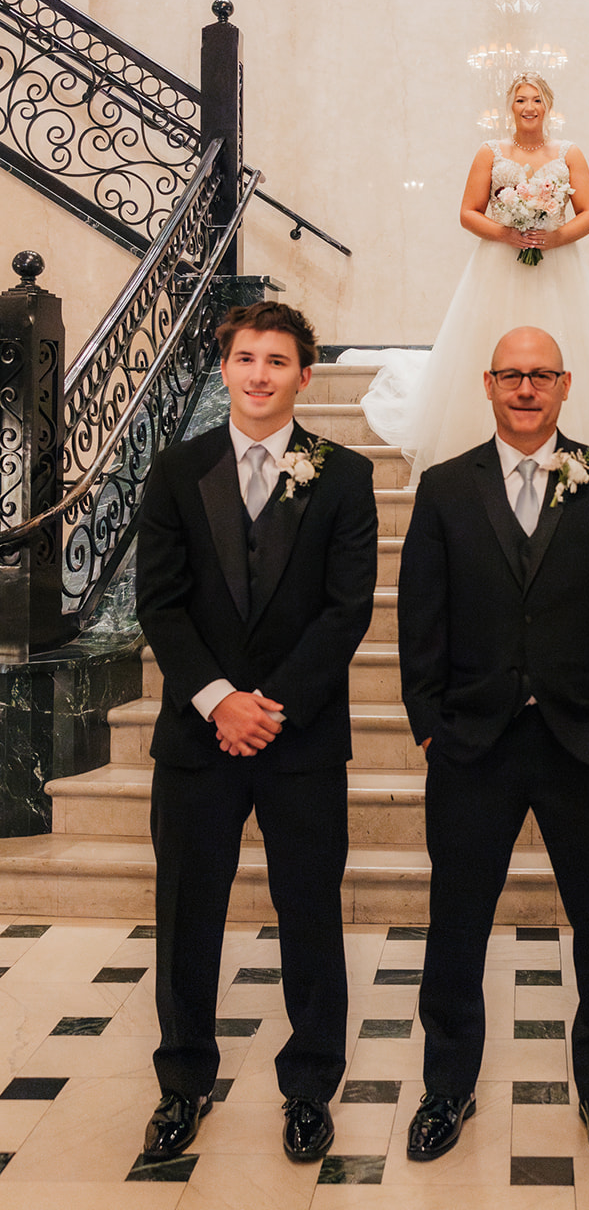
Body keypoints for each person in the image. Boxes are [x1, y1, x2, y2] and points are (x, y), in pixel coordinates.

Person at [399, 325, 589, 1167]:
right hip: (473, 740)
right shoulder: (445, 487)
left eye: (540, 375)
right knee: (456, 922)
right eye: (510, 375)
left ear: (564, 384)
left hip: (587, 738)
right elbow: (419, 616)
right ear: (486, 384)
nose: (525, 388)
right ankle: (446, 1087)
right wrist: (429, 722)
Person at [136, 301, 377, 1164]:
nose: (260, 374)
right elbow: (158, 601)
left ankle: (311, 1084)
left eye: (278, 361)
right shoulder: (175, 467)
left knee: (309, 912)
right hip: (197, 738)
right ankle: (182, 1082)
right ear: (226, 368)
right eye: (246, 358)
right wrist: (215, 699)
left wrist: (270, 705)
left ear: (304, 376)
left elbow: (348, 608)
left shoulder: (342, 474)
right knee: (185, 916)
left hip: (300, 738)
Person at [355, 72, 589, 485]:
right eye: (521, 100)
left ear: (548, 105)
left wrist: (554, 239)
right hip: (498, 263)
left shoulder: (568, 153)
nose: (529, 107)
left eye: (536, 99)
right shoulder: (489, 152)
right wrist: (506, 233)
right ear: (511, 107)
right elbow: (468, 212)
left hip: (558, 267)